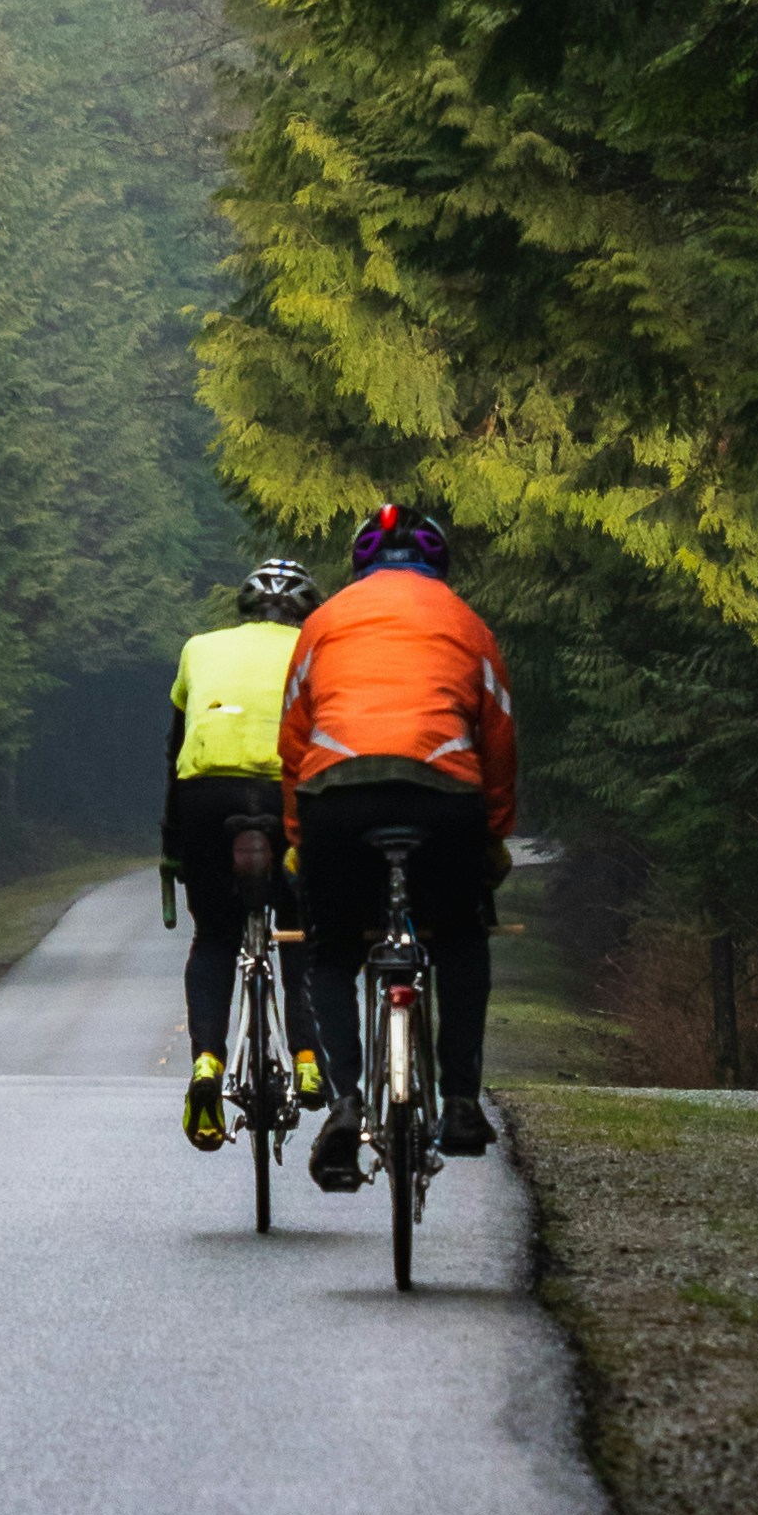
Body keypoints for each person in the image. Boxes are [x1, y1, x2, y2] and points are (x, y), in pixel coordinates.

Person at [283, 501, 515, 1191]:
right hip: (442, 793)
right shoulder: (466, 622)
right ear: (437, 564)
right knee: (460, 936)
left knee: (331, 950)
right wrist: (494, 835)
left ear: (360, 564)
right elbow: (499, 736)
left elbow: (292, 739)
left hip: (336, 795)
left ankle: (345, 1103)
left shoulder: (323, 623)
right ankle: (462, 1101)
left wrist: (298, 837)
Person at [163, 557, 323, 1147]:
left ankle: (207, 1061)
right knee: (301, 926)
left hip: (206, 794)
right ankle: (308, 1057)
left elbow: (175, 750)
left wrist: (172, 846)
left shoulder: (198, 648)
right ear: (304, 612)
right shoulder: (317, 649)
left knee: (213, 936)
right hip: (288, 788)